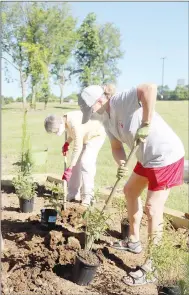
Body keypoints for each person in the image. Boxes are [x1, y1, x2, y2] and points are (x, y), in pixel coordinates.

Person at [78, 83, 185, 285]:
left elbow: (149, 89)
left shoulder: (121, 100)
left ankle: (153, 266)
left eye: (90, 110)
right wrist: (121, 164)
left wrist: (146, 123)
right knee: (129, 191)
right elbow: (116, 147)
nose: (91, 115)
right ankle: (134, 241)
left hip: (166, 154)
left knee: (153, 208)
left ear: (99, 100)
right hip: (146, 158)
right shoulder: (106, 121)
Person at [44, 110, 107, 207]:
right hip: (85, 136)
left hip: (95, 136)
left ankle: (88, 196)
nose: (56, 133)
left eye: (55, 131)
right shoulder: (66, 120)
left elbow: (78, 146)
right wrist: (67, 142)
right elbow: (73, 133)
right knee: (76, 164)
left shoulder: (74, 123)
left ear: (58, 125)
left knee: (86, 163)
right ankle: (73, 193)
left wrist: (69, 168)